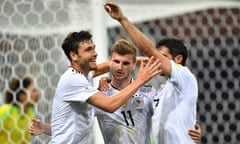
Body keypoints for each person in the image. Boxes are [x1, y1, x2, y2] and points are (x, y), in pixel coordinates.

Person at [29, 39, 201, 144]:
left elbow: (168, 118)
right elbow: (75, 128)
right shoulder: (99, 96)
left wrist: (191, 131)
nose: (120, 67)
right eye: (116, 62)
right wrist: (44, 128)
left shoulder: (148, 92)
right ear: (110, 61)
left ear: (134, 65)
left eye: (126, 63)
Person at [104, 2, 199, 144]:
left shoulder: (185, 76)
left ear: (178, 59)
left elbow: (148, 50)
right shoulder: (161, 91)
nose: (155, 60)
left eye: (162, 57)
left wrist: (122, 19)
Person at [49, 31, 161, 143]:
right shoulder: (73, 80)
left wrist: (132, 61)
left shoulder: (82, 76)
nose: (95, 53)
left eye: (94, 48)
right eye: (88, 50)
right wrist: (141, 79)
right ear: (73, 55)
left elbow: (97, 70)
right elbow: (110, 105)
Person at [0, 76, 39, 144]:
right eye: (33, 91)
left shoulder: (30, 114)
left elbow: (25, 141)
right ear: (22, 96)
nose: (37, 94)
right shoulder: (6, 110)